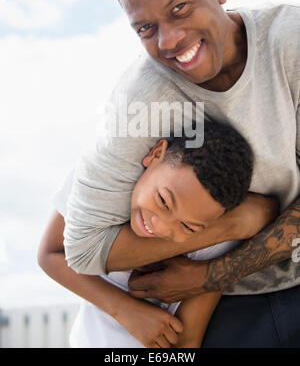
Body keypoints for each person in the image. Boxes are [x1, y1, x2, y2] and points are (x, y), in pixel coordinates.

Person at [60, 0, 300, 347]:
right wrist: (234, 225)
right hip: (221, 307)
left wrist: (211, 273)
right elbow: (78, 248)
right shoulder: (141, 101)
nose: (169, 40)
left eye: (180, 8)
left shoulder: (290, 44)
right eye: (145, 28)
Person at [39, 121, 277, 347]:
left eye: (189, 227)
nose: (162, 228)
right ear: (155, 155)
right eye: (163, 201)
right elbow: (50, 254)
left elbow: (189, 339)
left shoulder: (218, 244)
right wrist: (124, 310)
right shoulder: (101, 179)